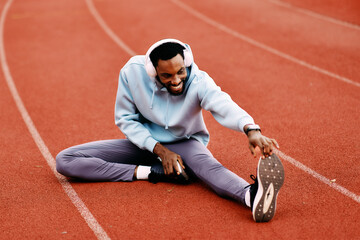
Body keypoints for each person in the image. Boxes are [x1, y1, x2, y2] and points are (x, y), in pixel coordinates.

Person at [56, 39, 285, 222]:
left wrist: (250, 129)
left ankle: (251, 196)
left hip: (184, 143)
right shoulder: (132, 73)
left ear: (186, 63)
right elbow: (126, 119)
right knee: (65, 160)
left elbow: (221, 102)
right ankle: (155, 172)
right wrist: (158, 152)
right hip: (143, 144)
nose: (176, 80)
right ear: (153, 71)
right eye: (167, 75)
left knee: (208, 166)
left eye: (180, 72)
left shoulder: (198, 80)